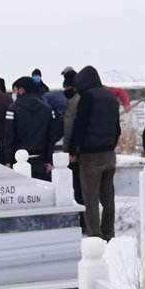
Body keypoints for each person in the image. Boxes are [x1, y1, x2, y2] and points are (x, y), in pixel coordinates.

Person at [67, 65, 121, 240]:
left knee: (90, 197)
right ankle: (109, 232)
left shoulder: (88, 97)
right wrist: (110, 146)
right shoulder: (112, 98)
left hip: (90, 155)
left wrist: (73, 149)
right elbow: (117, 128)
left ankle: (94, 234)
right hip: (108, 154)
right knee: (108, 196)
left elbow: (80, 125)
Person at [4, 77, 59, 180]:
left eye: (15, 90)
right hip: (41, 160)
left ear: (21, 90)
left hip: (19, 160)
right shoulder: (48, 109)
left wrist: (8, 160)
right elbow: (51, 136)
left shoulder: (13, 109)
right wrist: (48, 159)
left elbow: (9, 136)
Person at [61, 70, 85, 229]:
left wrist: (70, 152)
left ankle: (83, 222)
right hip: (84, 150)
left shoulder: (75, 101)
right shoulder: (81, 98)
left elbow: (70, 128)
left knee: (80, 188)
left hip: (77, 153)